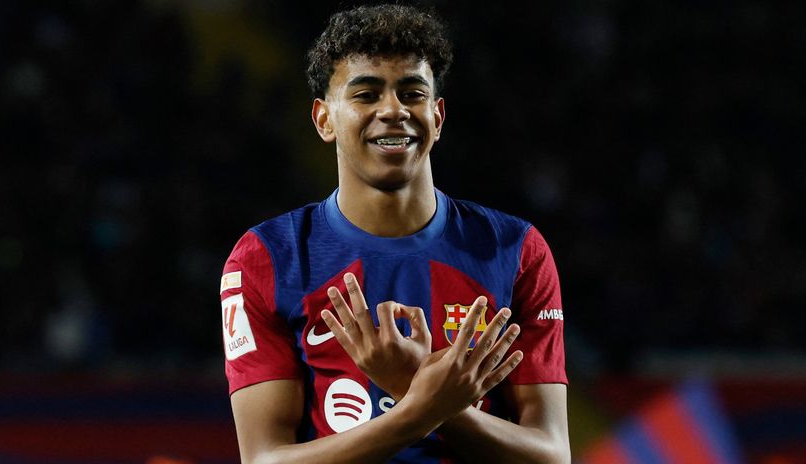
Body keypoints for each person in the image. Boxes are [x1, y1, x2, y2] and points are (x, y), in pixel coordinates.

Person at [219, 4, 570, 463]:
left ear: (437, 118)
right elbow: (264, 459)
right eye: (366, 94)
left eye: (412, 93)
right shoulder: (265, 258)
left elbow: (551, 455)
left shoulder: (517, 250)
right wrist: (421, 403)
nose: (393, 110)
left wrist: (412, 389)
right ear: (324, 120)